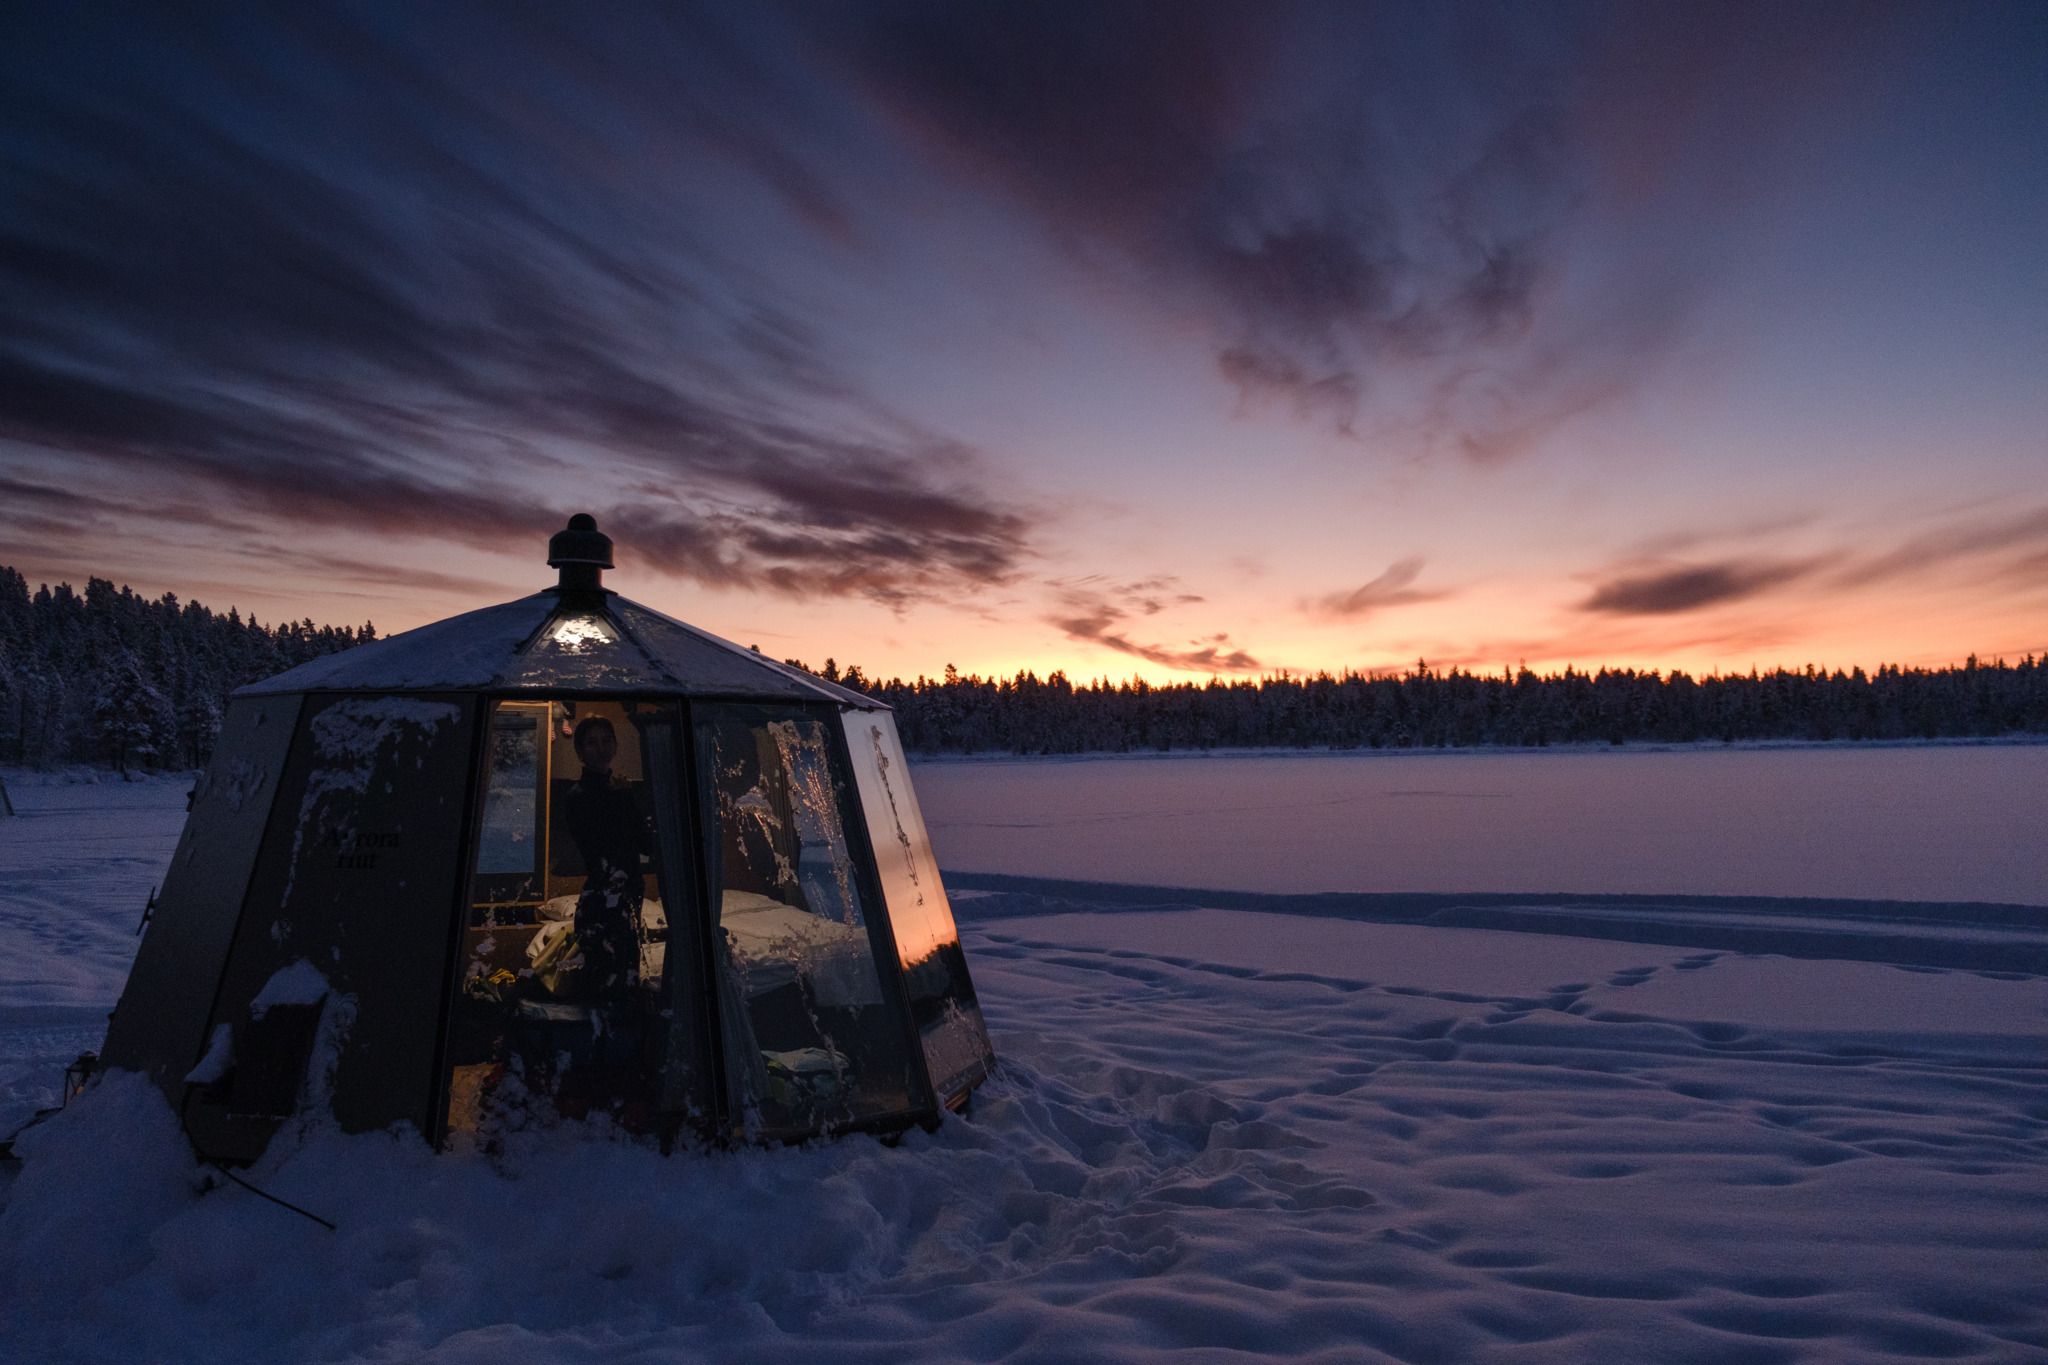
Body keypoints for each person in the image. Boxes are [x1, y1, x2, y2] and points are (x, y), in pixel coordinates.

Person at [558, 714, 653, 1116]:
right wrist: (621, 797)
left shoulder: (619, 790)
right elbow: (607, 846)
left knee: (624, 985)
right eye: (591, 743)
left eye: (606, 741)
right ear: (580, 750)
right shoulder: (581, 795)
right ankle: (598, 1083)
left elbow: (642, 841)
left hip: (624, 898)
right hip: (603, 902)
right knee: (606, 988)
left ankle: (618, 1077)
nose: (601, 748)